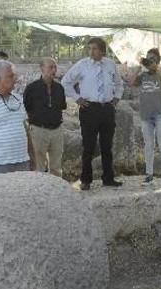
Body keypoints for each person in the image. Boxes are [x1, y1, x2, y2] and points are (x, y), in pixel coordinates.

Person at [62, 37, 124, 190]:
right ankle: (86, 180)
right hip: (89, 109)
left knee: (107, 146)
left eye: (94, 49)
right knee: (88, 147)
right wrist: (77, 99)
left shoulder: (110, 64)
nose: (91, 52)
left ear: (102, 51)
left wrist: (116, 98)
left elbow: (119, 83)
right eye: (89, 48)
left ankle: (108, 178)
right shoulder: (83, 65)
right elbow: (65, 82)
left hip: (107, 109)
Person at [128, 49, 161, 186]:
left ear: (158, 60)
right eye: (148, 58)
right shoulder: (143, 75)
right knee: (148, 145)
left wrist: (156, 68)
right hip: (146, 115)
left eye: (152, 59)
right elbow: (131, 82)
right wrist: (138, 67)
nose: (149, 61)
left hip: (160, 114)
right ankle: (149, 174)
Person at [23, 57, 67, 177]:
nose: (53, 70)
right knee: (39, 166)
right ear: (42, 68)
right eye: (50, 67)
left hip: (57, 130)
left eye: (55, 67)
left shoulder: (59, 88)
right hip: (38, 130)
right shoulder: (31, 88)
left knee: (56, 166)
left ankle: (57, 190)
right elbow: (26, 107)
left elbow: (62, 106)